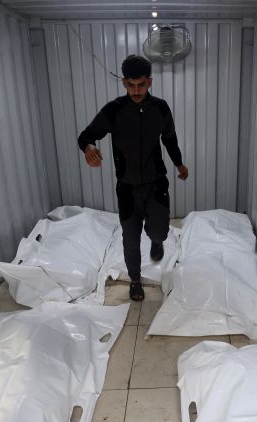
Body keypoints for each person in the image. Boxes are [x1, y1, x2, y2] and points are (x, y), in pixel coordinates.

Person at [77, 55, 188, 301]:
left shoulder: (160, 108)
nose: (136, 91)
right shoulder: (114, 110)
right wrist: (89, 148)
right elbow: (86, 135)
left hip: (156, 184)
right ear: (124, 83)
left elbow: (169, 139)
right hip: (127, 188)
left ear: (150, 82)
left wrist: (179, 163)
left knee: (159, 231)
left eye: (141, 85)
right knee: (130, 239)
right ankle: (135, 281)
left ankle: (156, 240)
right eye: (130, 85)